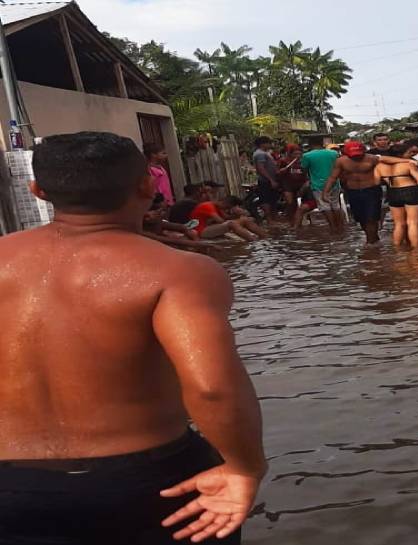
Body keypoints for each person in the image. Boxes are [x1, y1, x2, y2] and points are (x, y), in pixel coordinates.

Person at [0, 132, 266, 544]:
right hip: (151, 481)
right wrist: (244, 468)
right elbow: (212, 389)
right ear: (146, 186)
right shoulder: (179, 271)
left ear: (38, 190)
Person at [323, 141, 410, 245]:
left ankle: (370, 243)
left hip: (371, 191)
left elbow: (388, 159)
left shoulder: (372, 158)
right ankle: (373, 238)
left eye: (359, 154)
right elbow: (333, 177)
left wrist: (409, 161)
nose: (357, 157)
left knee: (371, 218)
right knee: (361, 219)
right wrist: (325, 192)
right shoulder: (341, 161)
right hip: (353, 192)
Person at [375, 141, 418, 250]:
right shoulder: (409, 164)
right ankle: (417, 250)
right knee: (413, 223)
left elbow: (376, 182)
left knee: (399, 224)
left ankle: (397, 249)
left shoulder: (379, 166)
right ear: (401, 154)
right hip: (411, 191)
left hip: (393, 192)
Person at [301, 136, 344, 234]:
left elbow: (304, 170)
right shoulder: (334, 153)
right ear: (322, 143)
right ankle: (340, 227)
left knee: (325, 206)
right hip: (334, 183)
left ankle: (333, 227)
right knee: (336, 205)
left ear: (310, 144)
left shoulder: (307, 155)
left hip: (318, 184)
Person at [190, 195, 267, 241]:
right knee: (231, 224)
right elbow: (220, 221)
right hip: (200, 231)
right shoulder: (208, 206)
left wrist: (238, 215)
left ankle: (264, 236)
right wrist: (235, 217)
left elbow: (226, 218)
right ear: (223, 202)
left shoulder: (217, 207)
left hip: (208, 227)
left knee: (245, 219)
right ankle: (252, 240)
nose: (226, 210)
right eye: (227, 207)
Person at [252, 136, 280, 220]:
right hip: (265, 181)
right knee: (266, 201)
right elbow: (261, 168)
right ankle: (269, 220)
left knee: (272, 200)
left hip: (269, 180)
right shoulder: (260, 154)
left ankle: (273, 218)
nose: (270, 145)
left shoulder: (265, 153)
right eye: (269, 143)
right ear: (263, 144)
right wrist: (271, 180)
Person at [277, 143, 305, 225]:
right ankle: (290, 220)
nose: (297, 156)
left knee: (301, 203)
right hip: (287, 185)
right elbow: (277, 172)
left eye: (299, 154)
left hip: (300, 184)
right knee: (290, 203)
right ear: (291, 154)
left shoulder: (304, 162)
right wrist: (282, 170)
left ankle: (298, 220)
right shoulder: (284, 161)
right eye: (295, 154)